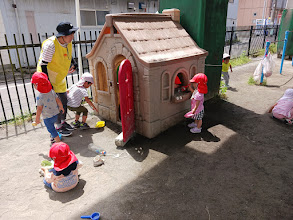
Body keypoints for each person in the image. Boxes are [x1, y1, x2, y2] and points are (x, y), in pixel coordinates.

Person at [37, 22, 79, 135]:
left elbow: (68, 54)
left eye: (73, 34)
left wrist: (74, 63)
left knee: (64, 100)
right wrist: (48, 85)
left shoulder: (67, 42)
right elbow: (43, 64)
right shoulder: (50, 45)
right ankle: (58, 127)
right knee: (55, 103)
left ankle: (62, 122)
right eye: (70, 34)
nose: (72, 37)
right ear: (62, 36)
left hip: (59, 77)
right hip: (48, 78)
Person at [31, 72, 69, 144]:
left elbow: (39, 109)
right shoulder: (52, 91)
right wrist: (61, 107)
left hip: (47, 117)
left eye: (34, 85)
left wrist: (37, 119)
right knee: (53, 128)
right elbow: (58, 100)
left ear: (37, 85)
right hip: (56, 114)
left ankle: (59, 143)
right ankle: (55, 137)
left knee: (51, 129)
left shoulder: (40, 97)